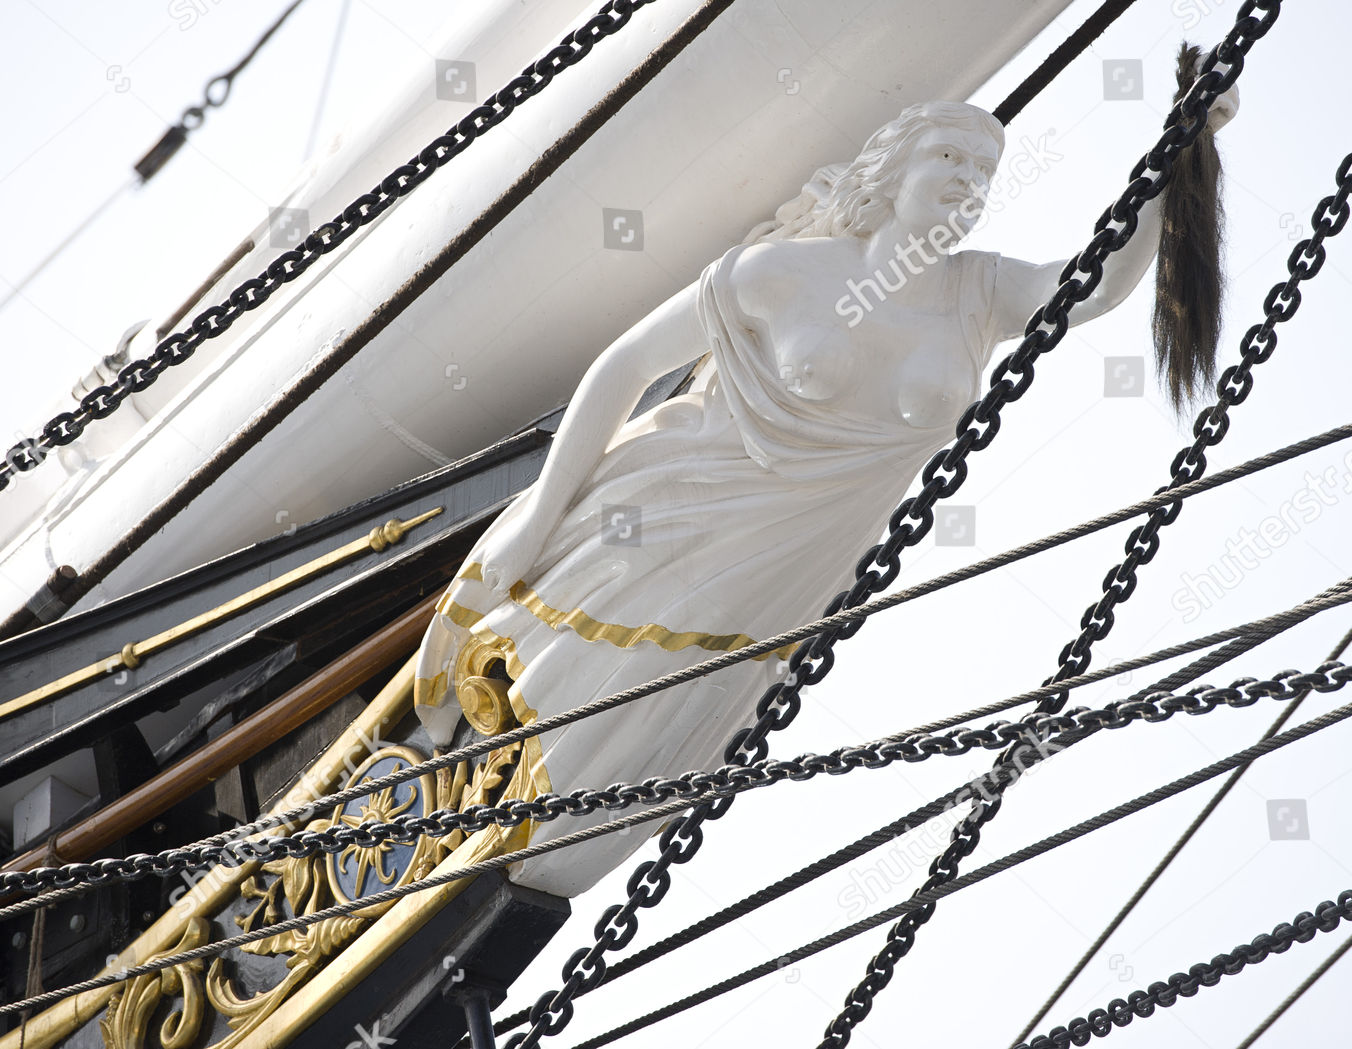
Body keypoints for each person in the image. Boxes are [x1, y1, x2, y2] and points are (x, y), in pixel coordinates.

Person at [413, 94, 1236, 897]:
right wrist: (537, 521)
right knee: (551, 713)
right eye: (948, 157)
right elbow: (625, 369)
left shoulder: (978, 295)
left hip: (777, 584)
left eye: (983, 171)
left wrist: (1180, 154)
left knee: (626, 756)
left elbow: (1095, 285)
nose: (967, 180)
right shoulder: (785, 271)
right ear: (891, 169)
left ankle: (491, 871)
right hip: (657, 526)